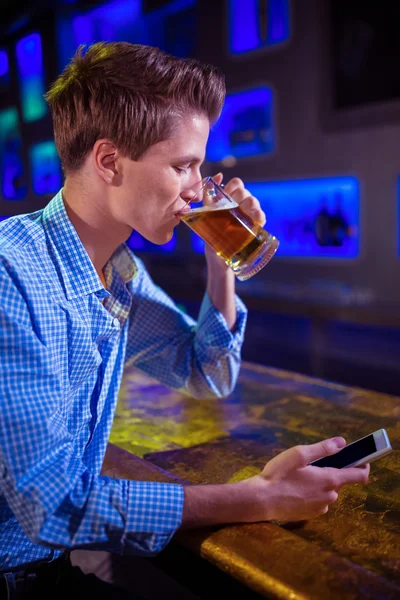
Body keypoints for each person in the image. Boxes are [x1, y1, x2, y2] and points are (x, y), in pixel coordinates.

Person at [0, 42, 369, 598]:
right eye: (182, 165)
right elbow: (51, 507)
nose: (198, 186)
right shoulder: (12, 274)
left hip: (49, 571)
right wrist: (259, 495)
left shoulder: (118, 272)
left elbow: (207, 372)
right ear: (108, 161)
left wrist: (221, 256)